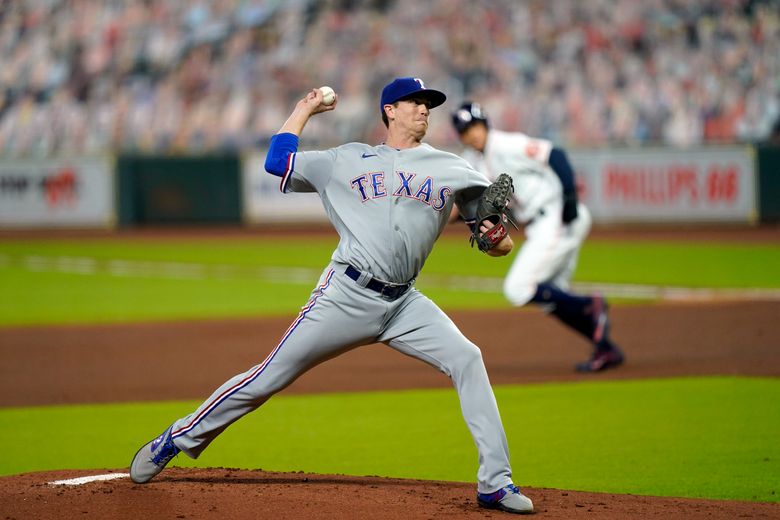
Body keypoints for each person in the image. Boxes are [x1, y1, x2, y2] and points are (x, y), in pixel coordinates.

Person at [129, 78, 534, 515]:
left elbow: (499, 243)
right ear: (389, 111)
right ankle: (177, 437)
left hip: (405, 304)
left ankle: (495, 484)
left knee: (467, 358)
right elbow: (276, 161)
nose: (424, 109)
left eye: (428, 104)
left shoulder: (454, 168)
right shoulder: (346, 158)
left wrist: (494, 237)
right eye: (414, 102)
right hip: (345, 295)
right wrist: (305, 108)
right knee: (267, 378)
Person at [451, 101, 624, 372]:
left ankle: (592, 304)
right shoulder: (476, 161)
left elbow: (554, 154)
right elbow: (463, 207)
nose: (472, 133)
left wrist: (569, 197)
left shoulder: (506, 144)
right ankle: (605, 347)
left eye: (475, 126)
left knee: (518, 288)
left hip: (555, 216)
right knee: (553, 298)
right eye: (465, 130)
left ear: (485, 124)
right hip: (542, 224)